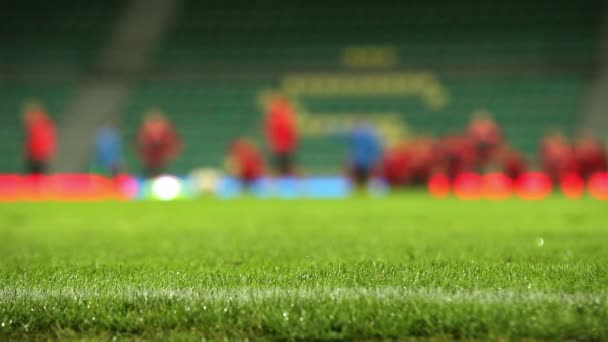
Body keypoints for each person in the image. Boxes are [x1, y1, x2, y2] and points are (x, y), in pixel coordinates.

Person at [137, 110, 182, 177]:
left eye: (157, 122)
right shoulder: (144, 131)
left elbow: (175, 143)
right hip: (149, 163)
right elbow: (141, 144)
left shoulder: (167, 131)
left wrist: (170, 155)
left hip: (164, 162)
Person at [265, 97, 298, 176]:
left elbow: (290, 132)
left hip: (282, 147)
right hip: (281, 147)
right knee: (284, 168)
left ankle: (301, 184)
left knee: (284, 168)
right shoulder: (276, 116)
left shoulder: (281, 115)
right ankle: (301, 184)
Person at [345, 121, 383, 187]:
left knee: (360, 182)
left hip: (361, 163)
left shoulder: (358, 137)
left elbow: (353, 152)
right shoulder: (371, 136)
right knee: (365, 182)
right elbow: (377, 150)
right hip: (366, 163)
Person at [23, 101, 56, 174]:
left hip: (40, 159)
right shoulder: (35, 126)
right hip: (35, 159)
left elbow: (43, 144)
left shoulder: (43, 125)